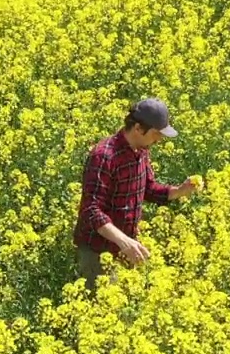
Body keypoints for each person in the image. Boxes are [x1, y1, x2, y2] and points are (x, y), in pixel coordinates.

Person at [72, 97, 202, 293]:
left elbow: (148, 188)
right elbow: (91, 210)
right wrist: (124, 242)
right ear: (139, 128)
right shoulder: (104, 156)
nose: (159, 140)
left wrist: (180, 191)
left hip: (126, 246)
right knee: (106, 310)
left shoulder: (141, 150)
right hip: (98, 250)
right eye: (157, 133)